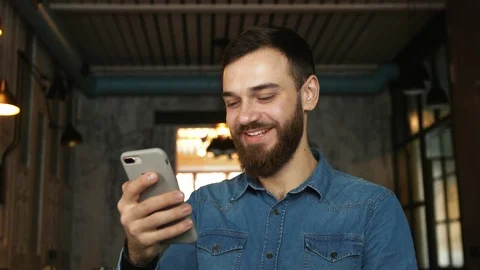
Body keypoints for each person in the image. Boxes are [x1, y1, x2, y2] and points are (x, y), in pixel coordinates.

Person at [116, 25, 417, 270]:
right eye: (233, 102)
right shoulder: (204, 207)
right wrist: (138, 257)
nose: (245, 116)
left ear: (309, 94)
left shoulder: (372, 210)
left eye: (264, 96)